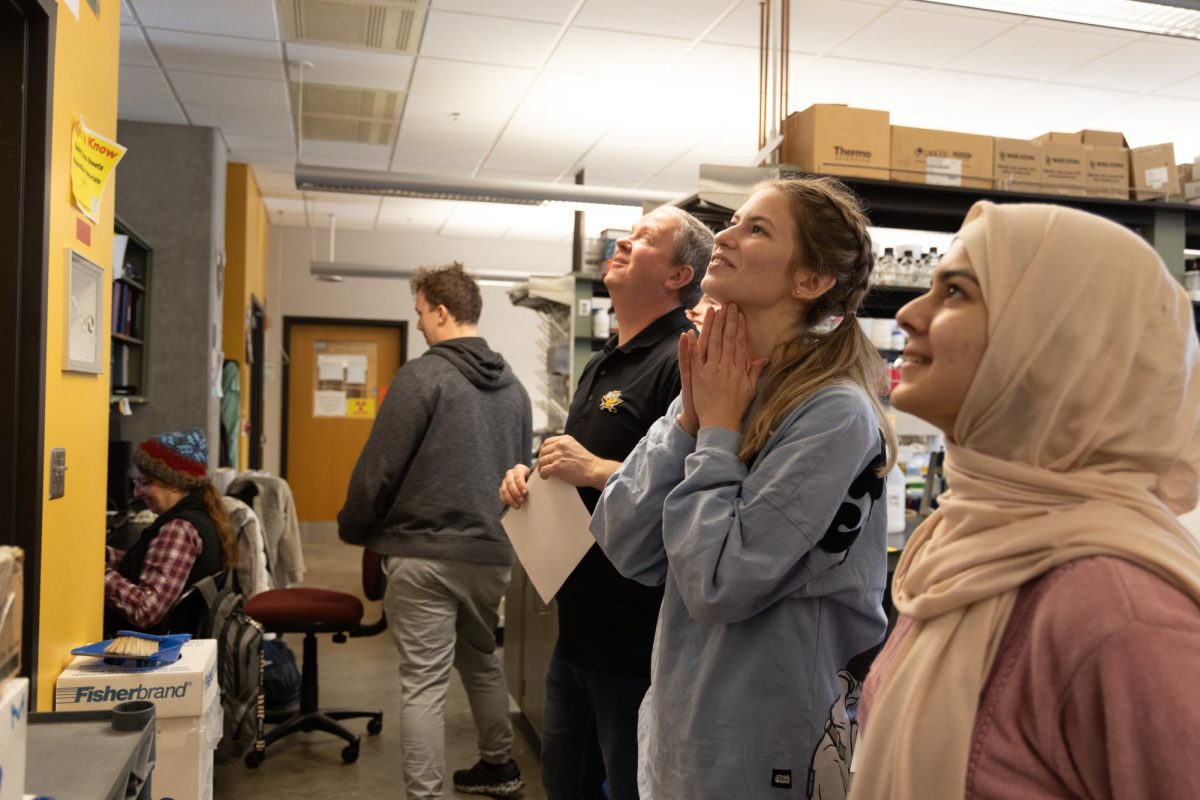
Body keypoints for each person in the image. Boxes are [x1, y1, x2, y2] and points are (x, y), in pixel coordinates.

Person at [851, 202, 1200, 798]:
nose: (909, 314)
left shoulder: (1118, 613)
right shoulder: (962, 549)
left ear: (1054, 343)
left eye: (956, 292)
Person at [590, 176, 897, 800]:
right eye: (735, 222)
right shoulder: (717, 383)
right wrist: (689, 421)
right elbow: (623, 542)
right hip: (684, 728)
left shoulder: (834, 413)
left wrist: (719, 431)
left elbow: (716, 584)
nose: (725, 236)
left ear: (809, 282)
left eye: (756, 229)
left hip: (766, 741)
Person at [499, 206, 713, 800]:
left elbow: (703, 488)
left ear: (678, 275)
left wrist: (592, 469)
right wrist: (532, 477)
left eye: (645, 239)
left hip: (636, 637)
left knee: (631, 785)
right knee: (564, 783)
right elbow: (575, 467)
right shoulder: (603, 362)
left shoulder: (685, 358)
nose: (621, 241)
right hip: (577, 629)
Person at [337, 264, 532, 800]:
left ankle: (424, 795)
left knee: (422, 682)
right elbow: (520, 475)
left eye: (421, 313)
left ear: (442, 311)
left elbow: (379, 465)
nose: (419, 324)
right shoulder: (514, 389)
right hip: (491, 553)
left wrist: (354, 526)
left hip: (424, 554)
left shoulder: (423, 377)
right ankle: (499, 765)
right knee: (480, 658)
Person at [105, 428, 236, 634]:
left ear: (176, 483)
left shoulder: (179, 529)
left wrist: (101, 574)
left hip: (147, 651)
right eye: (135, 483)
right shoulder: (204, 514)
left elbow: (144, 610)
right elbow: (154, 564)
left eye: (145, 483)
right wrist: (104, 556)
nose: (137, 492)